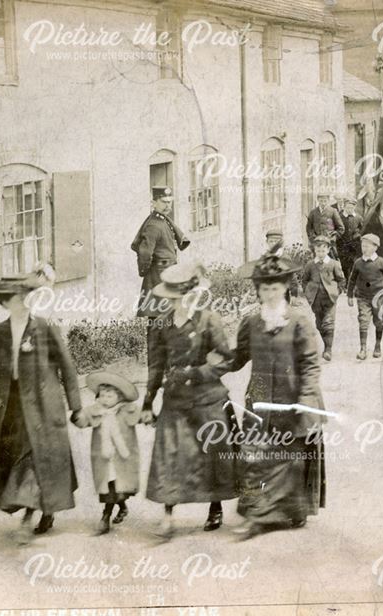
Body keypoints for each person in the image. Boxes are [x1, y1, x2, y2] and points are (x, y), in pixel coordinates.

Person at [225, 250, 326, 539]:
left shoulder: (299, 321)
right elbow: (238, 357)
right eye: (264, 288)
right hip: (258, 400)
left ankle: (288, 510)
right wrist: (211, 362)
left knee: (288, 458)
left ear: (284, 288)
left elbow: (310, 363)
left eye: (275, 287)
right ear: (258, 291)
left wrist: (306, 400)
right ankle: (258, 514)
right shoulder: (251, 323)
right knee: (253, 454)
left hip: (292, 399)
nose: (270, 293)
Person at [0, 274, 82, 543]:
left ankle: (27, 520)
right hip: (11, 408)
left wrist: (76, 407)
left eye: (24, 297)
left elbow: (67, 368)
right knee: (17, 461)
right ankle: (44, 508)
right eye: (14, 298)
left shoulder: (44, 328)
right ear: (5, 303)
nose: (21, 301)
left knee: (33, 462)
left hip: (44, 408)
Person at [141, 263, 238, 537]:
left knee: (211, 453)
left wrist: (196, 372)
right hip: (174, 399)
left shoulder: (209, 320)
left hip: (207, 398)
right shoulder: (160, 325)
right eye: (172, 299)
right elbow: (155, 366)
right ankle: (168, 515)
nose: (178, 303)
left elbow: (226, 359)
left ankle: (215, 506)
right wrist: (148, 402)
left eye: (182, 297)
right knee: (169, 455)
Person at [73, 372, 142, 535]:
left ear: (119, 396)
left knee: (119, 486)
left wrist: (151, 417)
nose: (105, 399)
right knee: (110, 486)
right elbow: (82, 421)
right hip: (104, 459)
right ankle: (110, 514)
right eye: (102, 395)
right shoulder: (95, 411)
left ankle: (109, 514)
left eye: (110, 395)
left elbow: (143, 417)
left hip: (122, 458)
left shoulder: (128, 410)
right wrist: (76, 417)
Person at [132, 186, 191, 317]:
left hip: (167, 272)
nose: (167, 205)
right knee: (159, 315)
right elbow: (145, 253)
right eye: (163, 202)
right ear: (153, 203)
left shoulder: (163, 220)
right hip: (159, 275)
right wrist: (145, 271)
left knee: (168, 315)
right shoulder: (153, 224)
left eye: (169, 202)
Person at [346, 233, 383, 360]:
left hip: (379, 298)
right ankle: (363, 348)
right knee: (363, 321)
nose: (364, 248)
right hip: (363, 297)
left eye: (367, 246)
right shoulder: (358, 263)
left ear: (375, 247)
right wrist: (350, 295)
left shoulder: (382, 263)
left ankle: (377, 345)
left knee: (379, 322)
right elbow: (352, 280)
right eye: (362, 245)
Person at [302, 236, 346, 362]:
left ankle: (328, 349)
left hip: (330, 298)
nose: (320, 253)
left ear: (328, 250)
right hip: (315, 299)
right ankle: (326, 345)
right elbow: (304, 280)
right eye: (318, 250)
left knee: (328, 323)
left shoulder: (333, 264)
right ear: (314, 250)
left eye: (323, 250)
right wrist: (307, 292)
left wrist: (337, 292)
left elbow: (341, 280)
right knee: (319, 324)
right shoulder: (310, 264)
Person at [336, 197, 364, 280]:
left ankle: (352, 281)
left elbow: (362, 229)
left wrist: (357, 235)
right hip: (342, 245)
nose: (349, 209)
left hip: (354, 245)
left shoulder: (358, 218)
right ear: (344, 207)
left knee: (353, 263)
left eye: (351, 207)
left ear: (354, 207)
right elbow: (335, 228)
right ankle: (345, 281)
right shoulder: (339, 217)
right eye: (348, 207)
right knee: (343, 264)